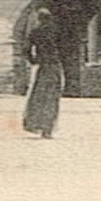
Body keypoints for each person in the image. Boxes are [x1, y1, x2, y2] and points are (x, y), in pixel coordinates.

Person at [22, 8, 62, 138]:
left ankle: (36, 125)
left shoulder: (35, 32)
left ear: (39, 19)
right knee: (52, 98)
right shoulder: (56, 30)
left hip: (43, 67)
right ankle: (47, 128)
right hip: (54, 66)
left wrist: (34, 60)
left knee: (39, 97)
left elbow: (26, 50)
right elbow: (67, 48)